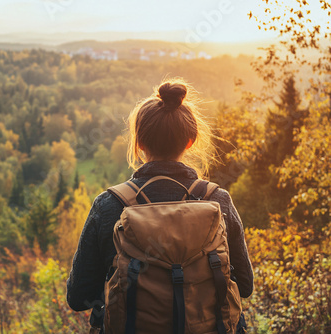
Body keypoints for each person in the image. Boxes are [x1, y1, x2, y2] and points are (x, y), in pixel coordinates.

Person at [66, 78, 254, 333]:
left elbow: (78, 297)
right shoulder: (217, 200)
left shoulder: (109, 205)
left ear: (139, 143)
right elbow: (244, 286)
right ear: (190, 141)